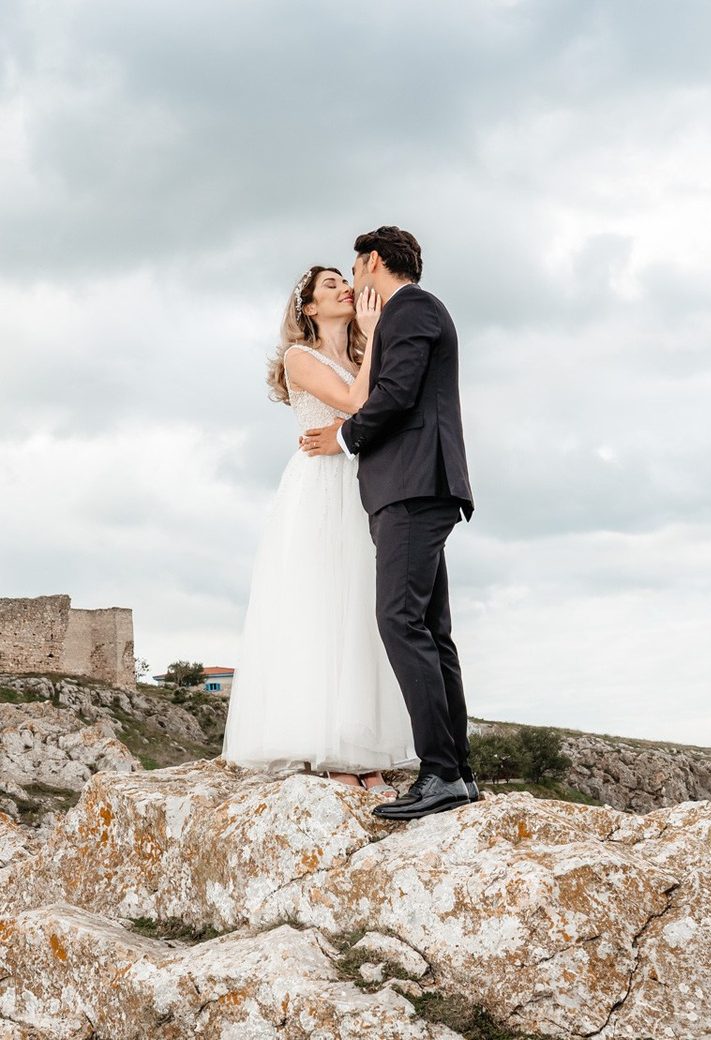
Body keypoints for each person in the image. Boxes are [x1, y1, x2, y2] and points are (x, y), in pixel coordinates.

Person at [300, 225, 477, 821]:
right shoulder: (410, 312)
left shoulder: (411, 309)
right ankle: (457, 774)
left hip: (412, 485)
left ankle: (441, 772)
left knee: (399, 620)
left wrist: (344, 436)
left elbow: (397, 393)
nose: (354, 281)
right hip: (414, 486)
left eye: (354, 269)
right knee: (430, 629)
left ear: (373, 260)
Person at [222, 265, 419, 798]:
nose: (344, 288)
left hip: (363, 482)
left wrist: (370, 346)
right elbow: (356, 403)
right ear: (308, 308)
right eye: (330, 285)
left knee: (363, 610)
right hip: (319, 488)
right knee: (322, 606)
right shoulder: (299, 357)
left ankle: (365, 750)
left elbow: (384, 408)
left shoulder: (361, 357)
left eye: (343, 281)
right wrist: (375, 336)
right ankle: (329, 748)